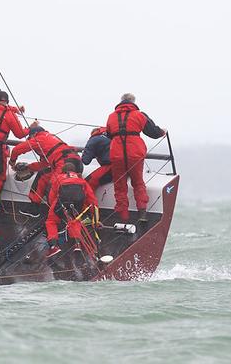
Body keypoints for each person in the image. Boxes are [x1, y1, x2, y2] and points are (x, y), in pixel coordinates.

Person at [106, 93, 166, 222]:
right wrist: (162, 132)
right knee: (138, 183)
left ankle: (123, 218)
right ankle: (142, 214)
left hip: (117, 153)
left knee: (120, 186)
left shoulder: (111, 117)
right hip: (135, 152)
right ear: (133, 102)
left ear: (121, 102)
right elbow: (153, 132)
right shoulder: (139, 115)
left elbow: (109, 133)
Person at [9, 126, 83, 218]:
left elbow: (17, 149)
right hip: (76, 163)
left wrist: (12, 161)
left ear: (34, 134)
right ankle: (34, 207)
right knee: (43, 175)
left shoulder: (39, 138)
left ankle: (56, 216)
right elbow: (44, 164)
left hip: (64, 164)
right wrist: (28, 167)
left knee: (54, 186)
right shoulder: (52, 138)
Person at [45, 162, 98, 258]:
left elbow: (52, 196)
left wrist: (54, 210)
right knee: (75, 220)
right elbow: (91, 199)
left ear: (63, 170)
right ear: (75, 171)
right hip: (78, 202)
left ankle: (53, 246)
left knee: (51, 221)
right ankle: (77, 244)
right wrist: (94, 216)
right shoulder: (81, 181)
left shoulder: (59, 178)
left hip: (62, 202)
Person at [82, 127, 113, 192]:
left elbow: (85, 160)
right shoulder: (111, 139)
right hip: (126, 166)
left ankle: (89, 202)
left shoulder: (94, 139)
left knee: (87, 183)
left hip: (111, 167)